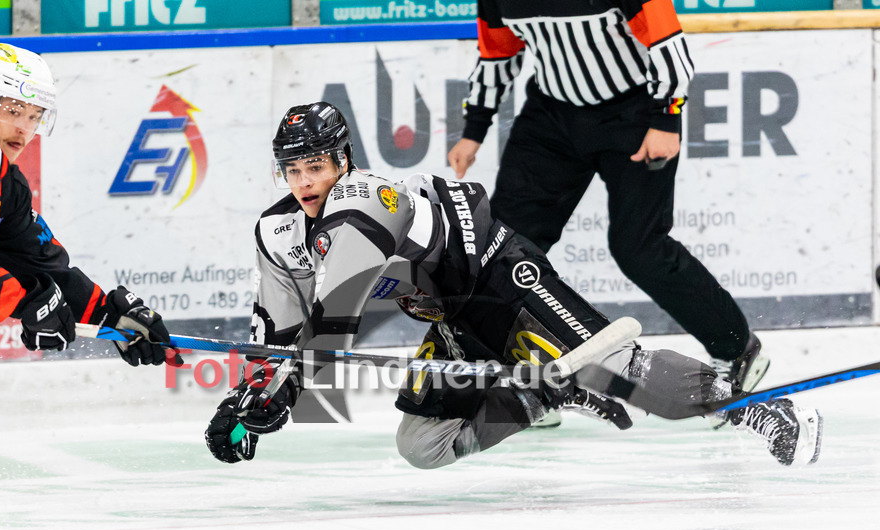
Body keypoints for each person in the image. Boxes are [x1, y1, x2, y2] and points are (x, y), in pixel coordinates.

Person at [204, 102, 822, 471]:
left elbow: (331, 323)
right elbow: (280, 335)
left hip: (499, 277)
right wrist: (250, 401)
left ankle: (759, 409)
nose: (306, 181)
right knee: (423, 443)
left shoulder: (364, 202)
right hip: (450, 315)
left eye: (317, 166)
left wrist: (283, 397)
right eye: (294, 169)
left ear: (343, 162)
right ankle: (543, 396)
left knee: (618, 370)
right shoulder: (278, 230)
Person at [447, 0, 769, 396]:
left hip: (634, 114)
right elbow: (497, 55)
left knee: (640, 249)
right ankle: (524, 376)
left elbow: (668, 45)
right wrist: (474, 129)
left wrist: (666, 118)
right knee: (505, 248)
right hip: (550, 118)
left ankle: (736, 348)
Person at [0, 42, 173, 366]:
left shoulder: (4, 184)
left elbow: (39, 261)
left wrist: (106, 313)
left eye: (34, 116)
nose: (24, 128)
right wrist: (29, 303)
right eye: (13, 111)